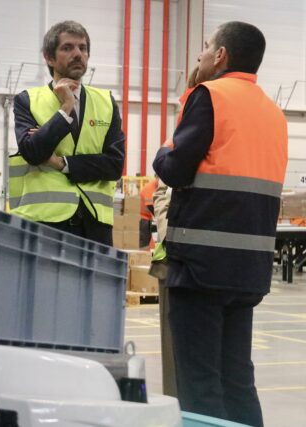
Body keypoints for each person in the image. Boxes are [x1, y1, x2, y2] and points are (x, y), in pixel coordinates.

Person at [153, 22, 287, 426]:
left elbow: (174, 168)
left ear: (221, 54)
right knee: (237, 383)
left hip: (201, 268)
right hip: (248, 270)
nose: (201, 54)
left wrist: (164, 147)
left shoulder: (210, 96)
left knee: (200, 386)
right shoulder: (273, 112)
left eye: (206, 46)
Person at [9, 21, 125, 245]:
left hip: (94, 225)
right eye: (67, 48)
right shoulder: (27, 100)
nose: (78, 54)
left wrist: (62, 163)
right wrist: (66, 108)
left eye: (82, 48)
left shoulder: (106, 102)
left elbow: (114, 165)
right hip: (45, 224)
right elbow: (33, 152)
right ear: (49, 58)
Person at [149, 65, 203, 398]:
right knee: (178, 360)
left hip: (198, 260)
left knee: (200, 363)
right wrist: (171, 236)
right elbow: (162, 192)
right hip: (176, 258)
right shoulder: (180, 137)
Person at [138, 177, 157, 249]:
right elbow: (150, 206)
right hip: (145, 219)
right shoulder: (150, 187)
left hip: (149, 218)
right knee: (145, 243)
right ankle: (143, 254)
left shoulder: (157, 186)